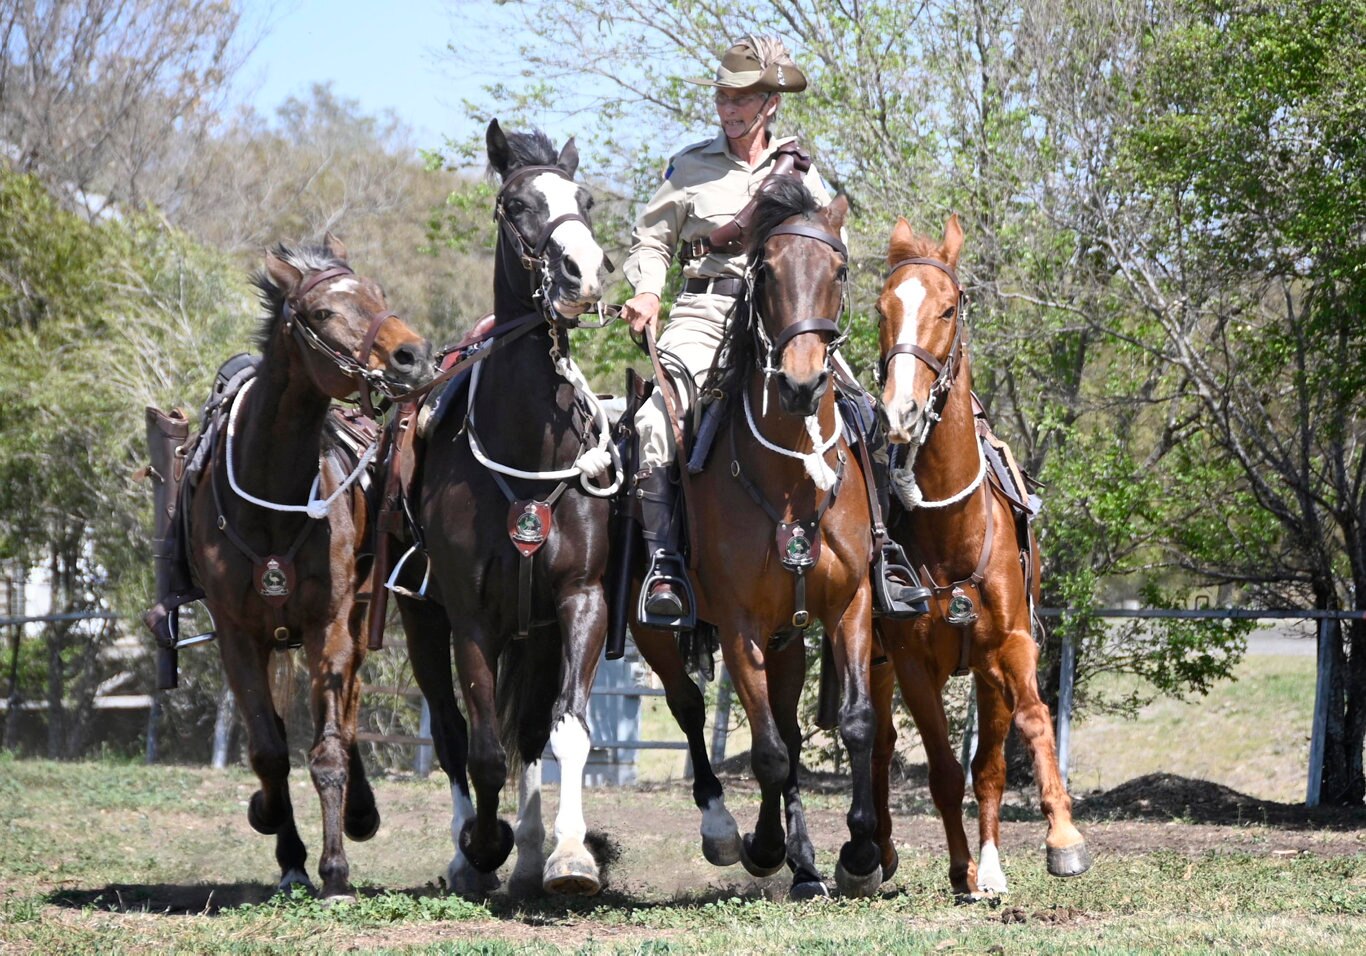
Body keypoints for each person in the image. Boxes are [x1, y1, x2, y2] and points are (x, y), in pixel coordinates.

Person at [620, 35, 928, 629]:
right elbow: (652, 239)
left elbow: (830, 245)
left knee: (865, 414)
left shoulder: (800, 172)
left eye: (743, 99)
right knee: (655, 419)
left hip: (781, 319)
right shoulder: (689, 168)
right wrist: (648, 288)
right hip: (707, 314)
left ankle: (885, 552)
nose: (729, 109)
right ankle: (664, 565)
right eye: (723, 98)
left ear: (769, 105)